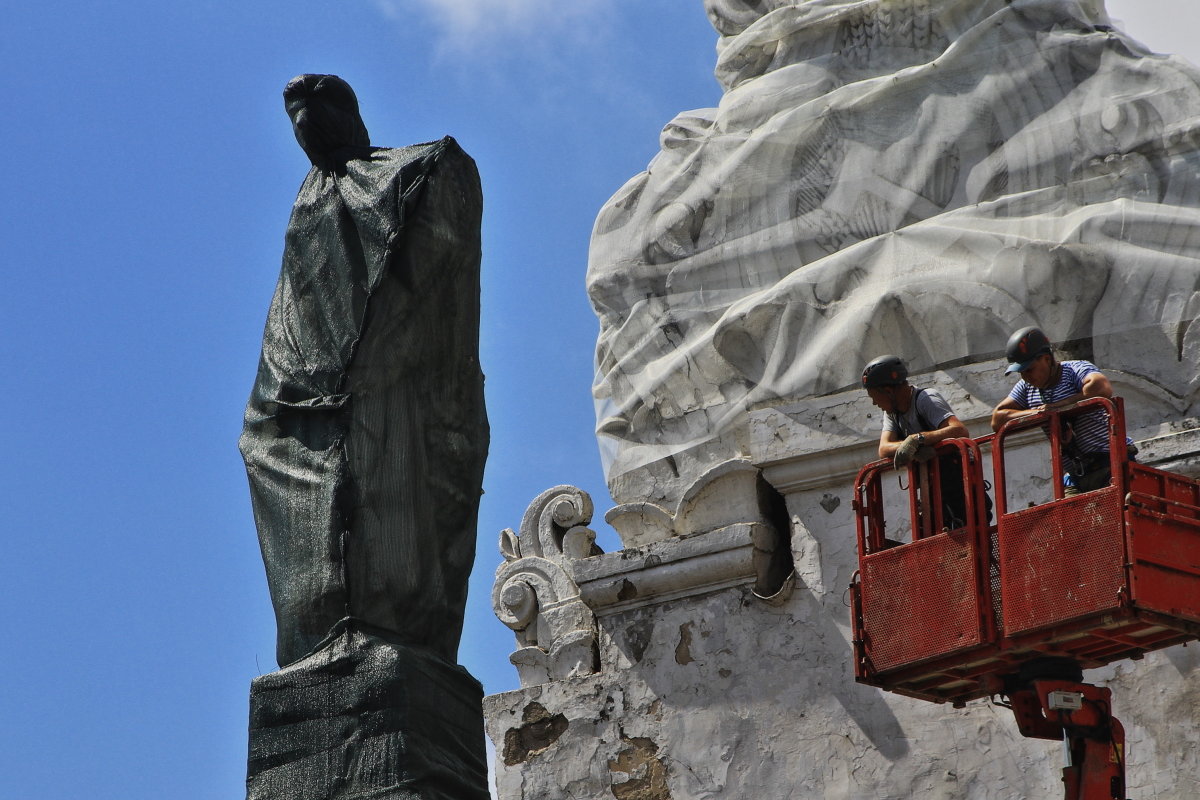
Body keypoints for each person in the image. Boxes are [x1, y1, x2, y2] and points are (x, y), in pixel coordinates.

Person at [990, 326, 1130, 496]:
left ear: (1047, 359)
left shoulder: (1074, 370)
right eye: (1020, 372)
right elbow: (997, 419)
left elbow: (1101, 387)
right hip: (1076, 475)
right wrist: (1038, 414)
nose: (1026, 377)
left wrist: (1061, 406)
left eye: (1029, 369)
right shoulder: (1026, 387)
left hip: (1109, 462)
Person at [862, 355, 973, 530]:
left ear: (888, 391)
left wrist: (918, 439)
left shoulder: (926, 399)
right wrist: (912, 445)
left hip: (961, 492)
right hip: (933, 497)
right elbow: (884, 449)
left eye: (874, 396)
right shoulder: (892, 413)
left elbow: (959, 430)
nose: (875, 403)